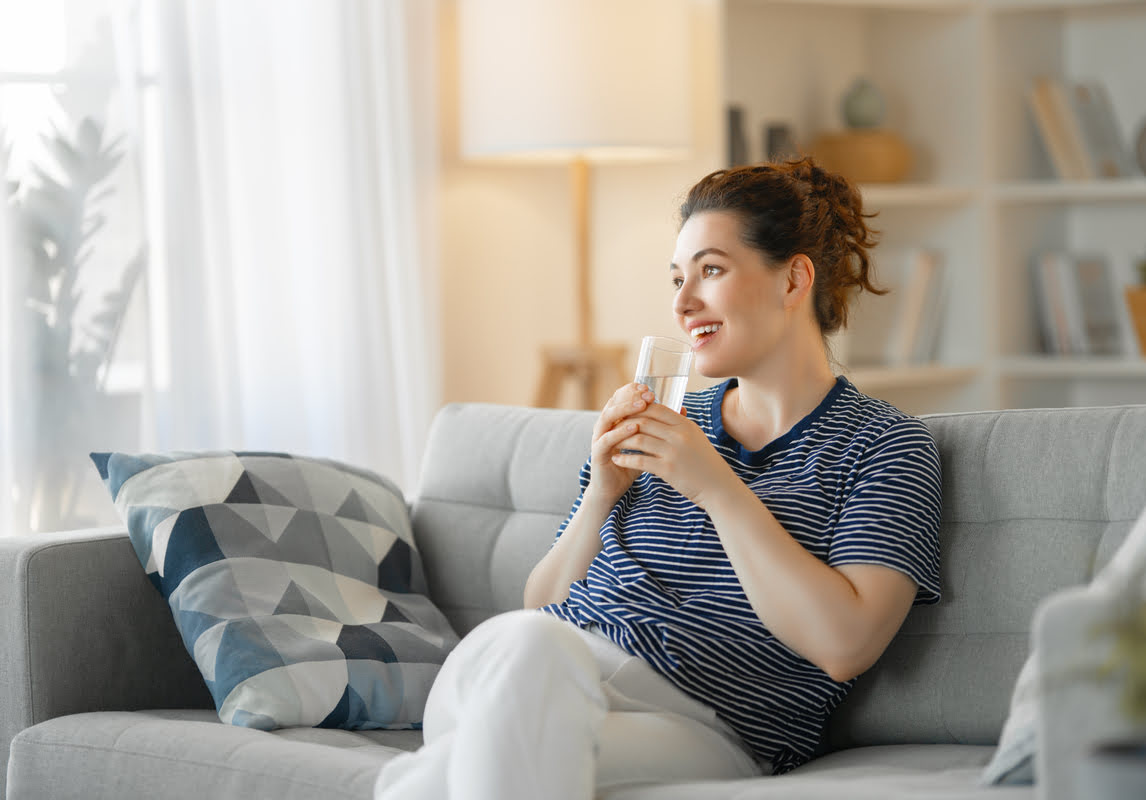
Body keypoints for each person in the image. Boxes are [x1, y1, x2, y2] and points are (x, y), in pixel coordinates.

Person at [375, 157, 942, 800]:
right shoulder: (666, 422)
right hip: (534, 668)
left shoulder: (885, 445)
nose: (681, 303)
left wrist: (716, 487)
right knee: (535, 651)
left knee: (475, 757)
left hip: (704, 725)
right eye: (677, 278)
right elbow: (539, 604)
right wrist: (600, 495)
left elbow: (845, 645)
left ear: (794, 278)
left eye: (711, 270)